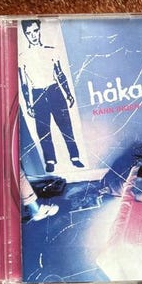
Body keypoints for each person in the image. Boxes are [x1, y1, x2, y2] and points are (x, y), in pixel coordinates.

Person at [18, 19, 84, 173]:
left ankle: (75, 157)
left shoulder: (51, 51)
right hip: (37, 94)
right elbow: (23, 83)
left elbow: (60, 74)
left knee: (66, 125)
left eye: (35, 31)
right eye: (29, 33)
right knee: (43, 130)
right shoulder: (23, 57)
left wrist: (68, 93)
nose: (33, 35)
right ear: (25, 34)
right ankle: (50, 160)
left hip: (55, 91)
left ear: (39, 30)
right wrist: (28, 104)